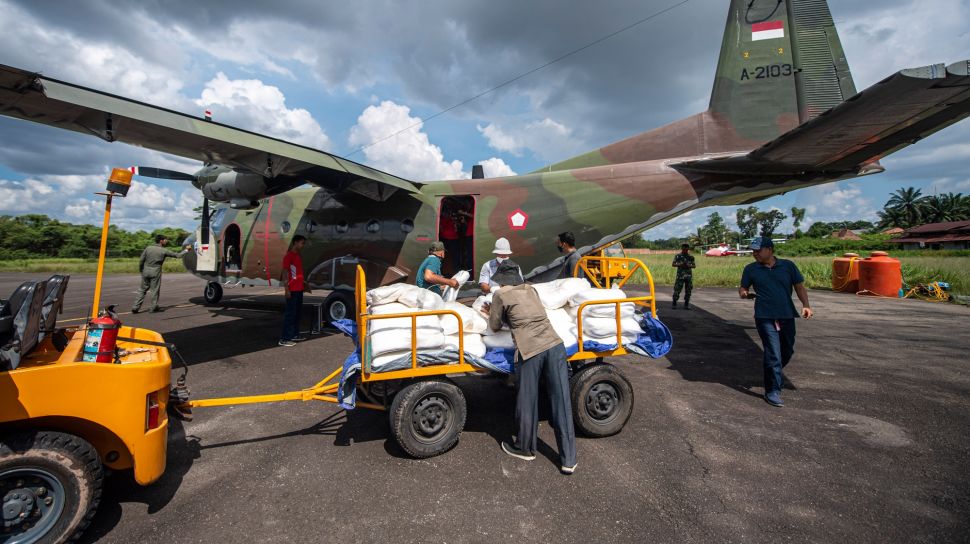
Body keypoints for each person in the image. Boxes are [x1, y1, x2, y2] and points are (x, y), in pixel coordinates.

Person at [485, 260, 577, 475]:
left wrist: (491, 312)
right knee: (561, 401)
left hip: (531, 350)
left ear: (501, 279)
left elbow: (495, 325)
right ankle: (569, 460)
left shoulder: (500, 295)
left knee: (528, 400)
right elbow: (525, 315)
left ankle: (525, 448)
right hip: (555, 346)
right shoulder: (530, 289)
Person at [738, 236, 813, 408]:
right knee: (773, 353)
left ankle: (773, 372)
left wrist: (806, 305)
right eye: (753, 251)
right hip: (764, 316)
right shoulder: (751, 269)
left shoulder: (788, 266)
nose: (754, 253)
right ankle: (773, 390)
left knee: (786, 351)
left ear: (770, 250)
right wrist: (744, 293)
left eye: (758, 250)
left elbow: (799, 286)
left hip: (786, 315)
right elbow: (743, 287)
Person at [132, 235, 188, 313]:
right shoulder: (164, 250)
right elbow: (178, 255)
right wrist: (186, 250)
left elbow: (141, 260)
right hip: (156, 271)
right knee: (154, 290)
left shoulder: (148, 248)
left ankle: (135, 307)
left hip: (145, 271)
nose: (166, 241)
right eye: (165, 240)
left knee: (142, 290)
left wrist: (141, 270)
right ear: (161, 241)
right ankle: (153, 307)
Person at [279, 235, 310, 347]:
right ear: (295, 243)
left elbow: (297, 273)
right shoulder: (289, 256)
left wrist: (304, 282)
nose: (303, 245)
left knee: (297, 314)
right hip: (292, 289)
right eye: (302, 243)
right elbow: (285, 272)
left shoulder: (298, 256)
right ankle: (284, 338)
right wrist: (286, 289)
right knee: (290, 314)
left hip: (299, 289)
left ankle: (294, 335)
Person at [671, 243, 696, 309]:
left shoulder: (691, 257)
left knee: (688, 290)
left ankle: (686, 304)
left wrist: (688, 265)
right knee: (677, 290)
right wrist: (680, 264)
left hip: (688, 276)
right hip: (680, 276)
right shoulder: (678, 256)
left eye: (686, 249)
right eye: (683, 249)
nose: (685, 250)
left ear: (688, 249)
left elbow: (694, 266)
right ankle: (674, 303)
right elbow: (673, 264)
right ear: (682, 248)